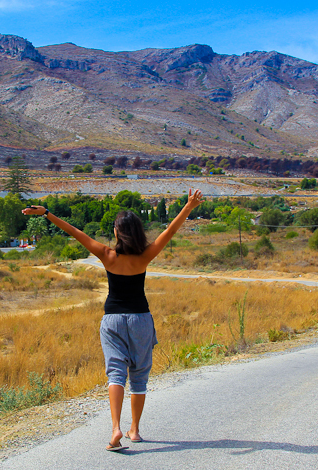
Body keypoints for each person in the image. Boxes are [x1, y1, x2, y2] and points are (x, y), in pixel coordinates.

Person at [22, 189, 205, 451]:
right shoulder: (145, 256)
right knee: (139, 376)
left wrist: (48, 214)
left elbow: (76, 233)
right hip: (141, 319)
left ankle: (116, 428)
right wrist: (188, 207)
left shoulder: (107, 256)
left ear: (119, 232)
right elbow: (170, 232)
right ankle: (135, 430)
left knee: (116, 373)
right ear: (138, 232)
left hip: (113, 320)